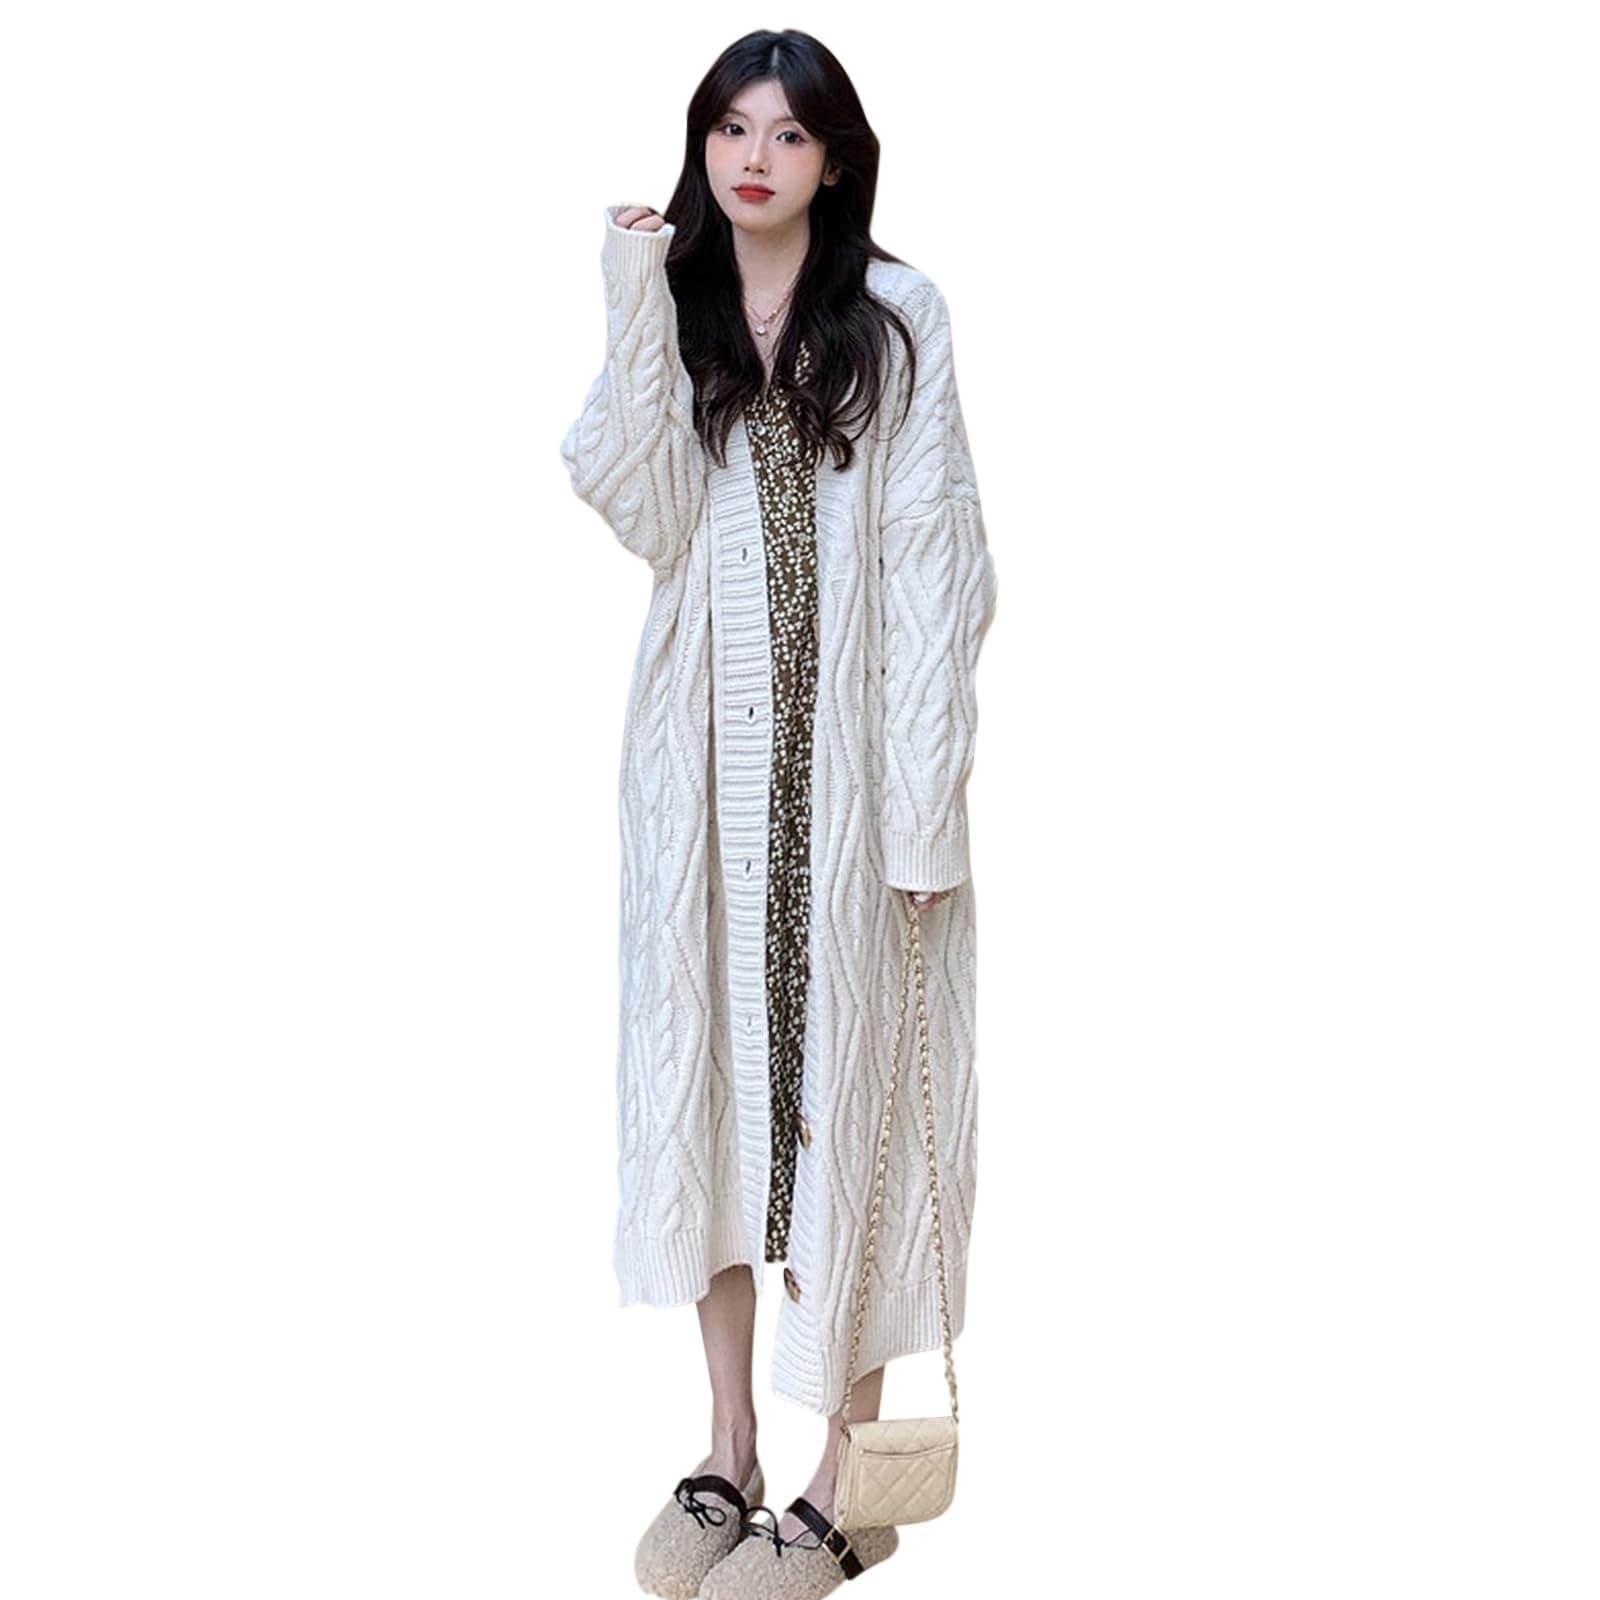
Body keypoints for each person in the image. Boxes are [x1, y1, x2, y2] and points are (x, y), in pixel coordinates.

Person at [558, 28, 998, 1600]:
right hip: (705, 778)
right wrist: (630, 295)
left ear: (834, 158)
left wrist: (925, 811)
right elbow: (642, 507)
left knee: (849, 1105)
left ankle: (841, 1480)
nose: (756, 158)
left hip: (859, 790)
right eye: (732, 128)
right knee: (718, 1103)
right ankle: (728, 1445)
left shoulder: (895, 312)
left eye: (789, 134)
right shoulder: (679, 304)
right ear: (704, 145)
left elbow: (941, 567)